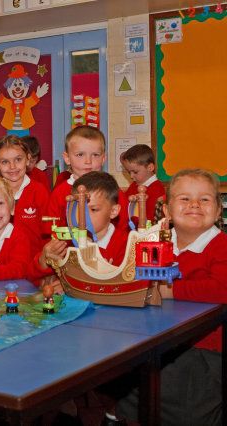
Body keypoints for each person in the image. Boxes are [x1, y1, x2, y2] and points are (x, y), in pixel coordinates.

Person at [108, 169, 227, 425]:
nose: (194, 204)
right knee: (116, 371)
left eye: (205, 199)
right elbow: (129, 274)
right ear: (167, 211)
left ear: (218, 211)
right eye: (184, 199)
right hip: (152, 341)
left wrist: (171, 290)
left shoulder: (221, 246)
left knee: (183, 405)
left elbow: (222, 288)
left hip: (202, 349)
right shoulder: (155, 242)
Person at [44, 126, 129, 235]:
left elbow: (124, 228)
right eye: (80, 154)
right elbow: (51, 229)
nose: (88, 161)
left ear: (103, 158)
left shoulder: (112, 190)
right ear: (67, 158)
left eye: (95, 155)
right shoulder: (60, 193)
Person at [0, 135, 49, 249]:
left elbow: (48, 232)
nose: (12, 166)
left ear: (28, 159)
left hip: (33, 261)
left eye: (18, 159)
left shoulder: (39, 191)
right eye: (4, 162)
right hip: (1, 262)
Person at [121, 144, 166, 223]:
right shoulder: (134, 185)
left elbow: (152, 220)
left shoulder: (157, 189)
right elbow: (123, 206)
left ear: (150, 168)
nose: (131, 176)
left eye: (135, 172)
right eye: (129, 172)